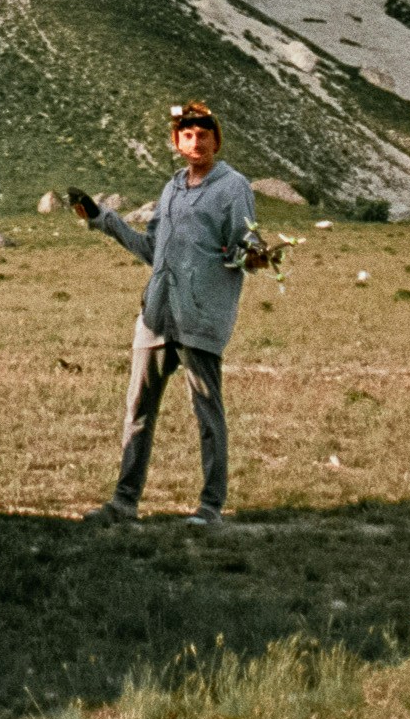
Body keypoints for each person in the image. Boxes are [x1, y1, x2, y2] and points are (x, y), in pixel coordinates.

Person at [63, 100, 265, 525]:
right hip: (157, 315)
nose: (196, 143)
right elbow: (152, 251)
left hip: (200, 317)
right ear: (176, 142)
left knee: (207, 413)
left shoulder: (234, 188)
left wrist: (254, 257)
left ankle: (210, 508)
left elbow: (244, 249)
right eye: (187, 136)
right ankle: (123, 502)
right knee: (137, 411)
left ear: (216, 140)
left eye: (204, 135)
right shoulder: (172, 188)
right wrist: (103, 219)